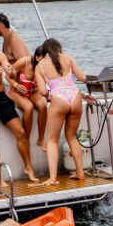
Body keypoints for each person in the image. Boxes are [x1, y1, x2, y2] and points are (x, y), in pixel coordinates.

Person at [0, 33, 38, 189]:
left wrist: (10, 71)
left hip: (1, 98)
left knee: (20, 132)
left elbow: (8, 69)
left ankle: (29, 168)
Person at [34, 38, 89, 185]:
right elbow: (83, 78)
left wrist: (48, 93)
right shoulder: (68, 58)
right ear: (59, 49)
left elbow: (42, 91)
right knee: (72, 137)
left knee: (52, 140)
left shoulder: (40, 66)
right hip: (75, 97)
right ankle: (80, 172)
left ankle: (52, 179)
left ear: (45, 51)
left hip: (59, 99)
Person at [7, 46, 47, 149]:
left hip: (33, 91)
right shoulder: (23, 62)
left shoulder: (46, 65)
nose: (47, 62)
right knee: (28, 108)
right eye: (45, 59)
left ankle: (41, 139)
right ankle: (26, 140)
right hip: (16, 91)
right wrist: (16, 85)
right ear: (37, 57)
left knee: (43, 105)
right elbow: (8, 75)